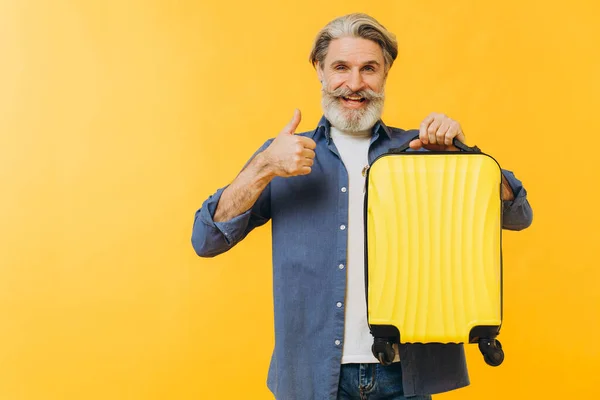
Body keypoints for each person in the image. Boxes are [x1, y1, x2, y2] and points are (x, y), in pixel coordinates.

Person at [191, 12, 533, 400]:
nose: (354, 84)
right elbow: (206, 239)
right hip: (312, 377)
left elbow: (518, 215)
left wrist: (463, 155)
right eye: (341, 67)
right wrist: (264, 166)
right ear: (319, 70)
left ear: (386, 72)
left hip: (403, 376)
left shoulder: (422, 151)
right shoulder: (283, 156)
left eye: (369, 68)